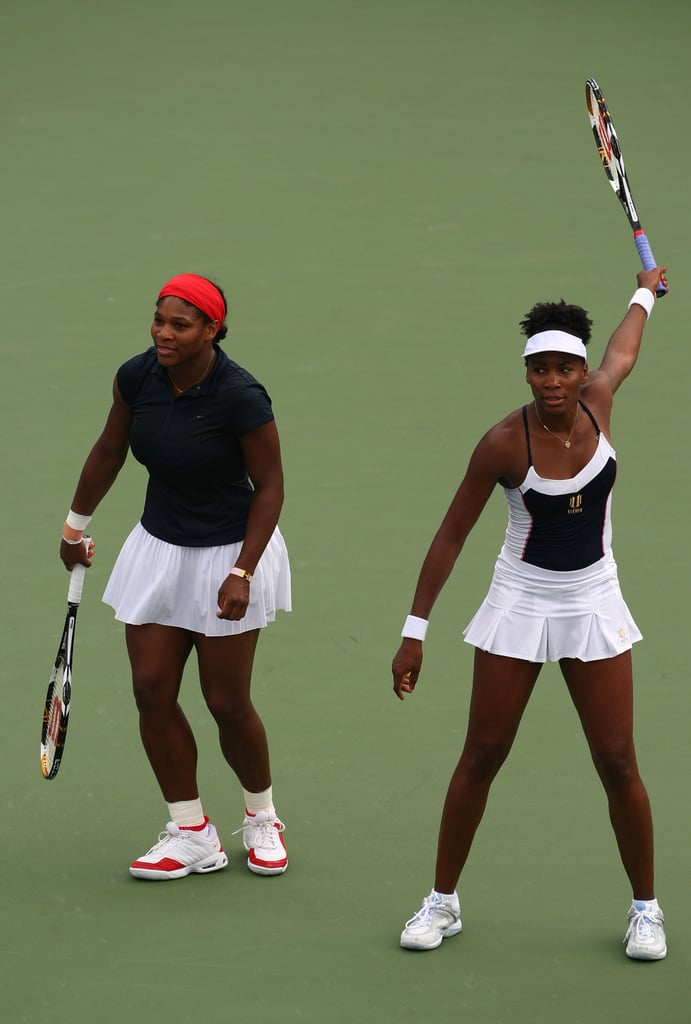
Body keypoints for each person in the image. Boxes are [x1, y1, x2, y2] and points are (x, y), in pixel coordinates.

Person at [391, 267, 669, 959]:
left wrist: (643, 292)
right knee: (481, 753)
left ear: (581, 373)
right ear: (526, 373)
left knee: (616, 760)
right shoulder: (501, 444)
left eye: (564, 368)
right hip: (518, 601)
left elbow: (624, 350)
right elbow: (450, 534)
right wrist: (413, 631)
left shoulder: (600, 400)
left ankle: (645, 910)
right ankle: (441, 902)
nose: (551, 381)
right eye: (538, 369)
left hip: (592, 599)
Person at [60, 273, 291, 881]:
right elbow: (110, 450)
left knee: (226, 701)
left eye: (180, 324)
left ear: (212, 330)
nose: (163, 332)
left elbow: (270, 488)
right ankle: (190, 830)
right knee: (151, 691)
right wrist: (73, 528)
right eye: (159, 320)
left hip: (229, 555)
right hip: (159, 551)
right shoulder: (137, 377)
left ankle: (262, 815)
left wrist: (244, 568)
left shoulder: (241, 395)